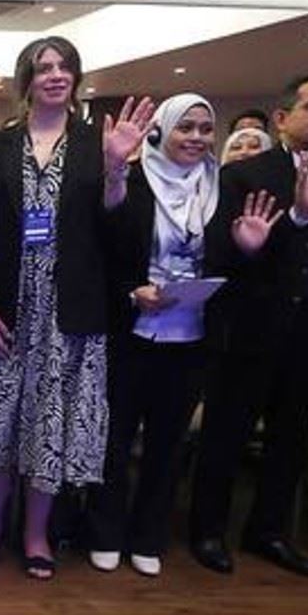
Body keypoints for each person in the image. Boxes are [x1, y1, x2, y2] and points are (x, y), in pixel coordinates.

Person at [0, 36, 153, 579]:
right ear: (26, 81)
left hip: (68, 313)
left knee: (48, 425)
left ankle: (36, 533)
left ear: (76, 78)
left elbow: (121, 238)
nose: (55, 75)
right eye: (43, 67)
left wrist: (116, 171)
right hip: (3, 307)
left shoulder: (98, 144)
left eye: (64, 67)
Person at [189, 71, 308, 576]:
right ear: (284, 118)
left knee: (291, 436)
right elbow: (219, 255)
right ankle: (207, 530)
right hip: (251, 322)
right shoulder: (244, 175)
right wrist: (291, 224)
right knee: (227, 433)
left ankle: (268, 531)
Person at [88, 94, 240, 576]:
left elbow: (229, 258)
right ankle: (105, 532)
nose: (196, 138)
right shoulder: (134, 180)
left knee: (168, 443)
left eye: (205, 129)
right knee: (114, 438)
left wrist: (247, 248)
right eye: (185, 127)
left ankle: (148, 536)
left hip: (192, 336)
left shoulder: (221, 188)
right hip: (132, 330)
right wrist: (132, 291)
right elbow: (105, 249)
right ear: (161, 130)